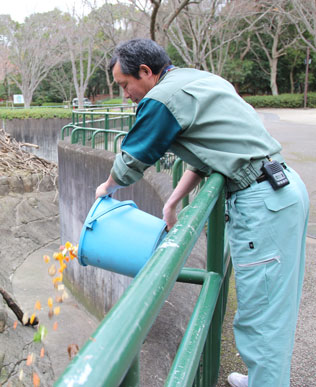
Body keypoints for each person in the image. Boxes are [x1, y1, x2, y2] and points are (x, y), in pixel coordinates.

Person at [95, 38, 310, 387]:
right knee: (272, 305)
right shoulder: (198, 79)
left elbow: (132, 159)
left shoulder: (160, 99)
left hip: (262, 201)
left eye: (125, 85)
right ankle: (261, 378)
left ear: (146, 73)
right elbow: (211, 155)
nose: (126, 94)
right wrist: (172, 201)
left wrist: (106, 188)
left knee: (263, 316)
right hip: (281, 187)